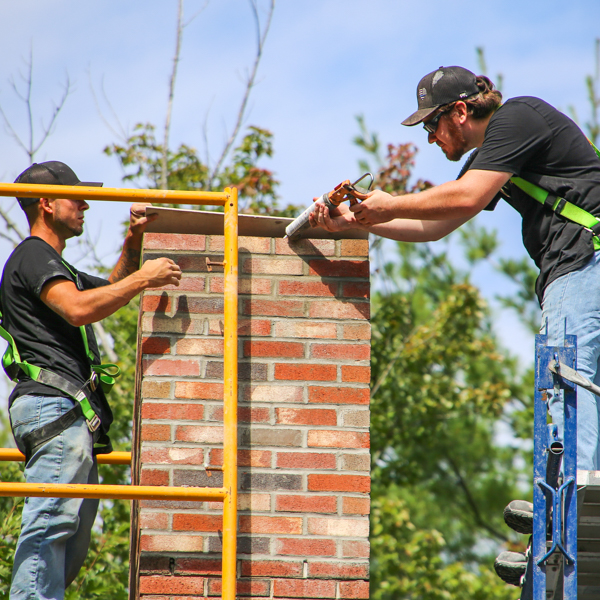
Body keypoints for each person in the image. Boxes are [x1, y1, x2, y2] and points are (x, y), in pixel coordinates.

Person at [310, 66, 600, 582]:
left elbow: (462, 197)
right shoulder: (498, 155)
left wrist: (385, 204)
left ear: (460, 112)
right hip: (582, 269)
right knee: (574, 385)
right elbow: (437, 225)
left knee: (568, 385)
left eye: (432, 125)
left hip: (584, 266)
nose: (429, 138)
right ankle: (570, 496)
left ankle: (572, 501)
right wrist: (354, 223)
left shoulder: (518, 117)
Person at [1, 161, 182, 600]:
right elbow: (81, 309)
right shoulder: (33, 255)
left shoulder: (56, 265)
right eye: (74, 196)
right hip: (54, 409)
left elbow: (110, 289)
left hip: (65, 415)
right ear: (45, 203)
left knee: (70, 542)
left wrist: (133, 241)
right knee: (50, 528)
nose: (85, 204)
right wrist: (145, 278)